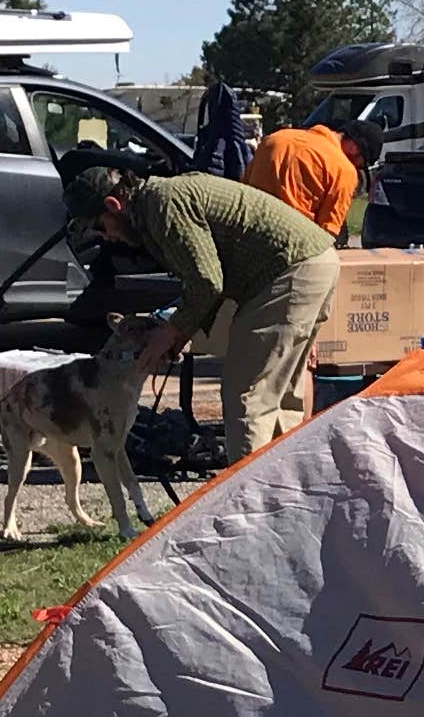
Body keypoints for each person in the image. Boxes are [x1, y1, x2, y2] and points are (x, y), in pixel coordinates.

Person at [62, 149, 336, 460]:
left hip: (287, 270)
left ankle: (248, 488)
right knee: (279, 395)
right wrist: (179, 331)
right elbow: (206, 281)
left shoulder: (161, 206)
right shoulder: (158, 200)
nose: (108, 238)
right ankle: (284, 482)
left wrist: (171, 332)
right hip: (314, 262)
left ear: (114, 205)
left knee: (248, 395)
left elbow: (207, 282)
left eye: (101, 227)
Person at [252, 116, 377, 239]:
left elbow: (246, 186)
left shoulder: (274, 139)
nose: (357, 168)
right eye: (361, 164)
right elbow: (328, 232)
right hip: (291, 239)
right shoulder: (344, 170)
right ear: (354, 148)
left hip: (251, 230)